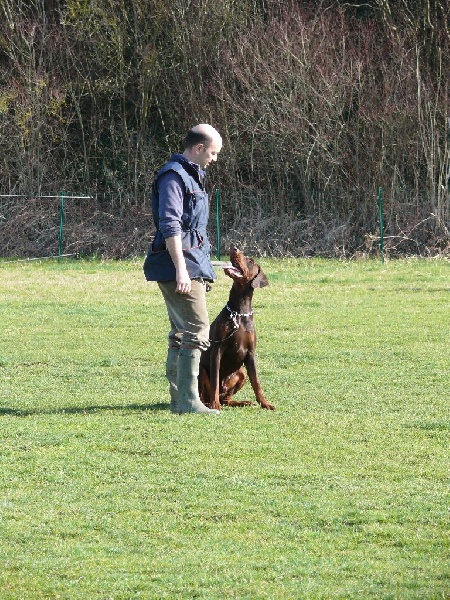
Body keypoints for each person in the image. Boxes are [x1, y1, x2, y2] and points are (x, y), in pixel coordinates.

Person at [143, 124, 223, 415]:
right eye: (213, 153)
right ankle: (189, 402)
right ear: (199, 148)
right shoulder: (173, 177)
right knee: (196, 329)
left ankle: (180, 400)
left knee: (181, 331)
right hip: (179, 266)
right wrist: (181, 270)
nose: (214, 159)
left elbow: (193, 229)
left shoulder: (191, 176)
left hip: (190, 262)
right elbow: (170, 225)